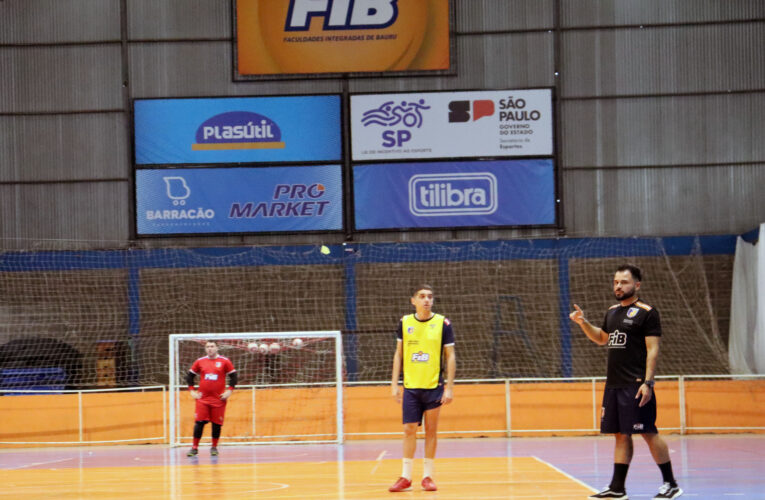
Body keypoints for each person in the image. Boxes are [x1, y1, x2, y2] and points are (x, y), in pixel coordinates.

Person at [569, 264, 683, 500]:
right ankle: (617, 488)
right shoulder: (612, 311)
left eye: (624, 282)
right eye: (616, 282)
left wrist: (648, 383)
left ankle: (671, 484)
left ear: (637, 285)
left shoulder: (647, 312)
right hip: (614, 384)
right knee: (620, 434)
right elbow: (602, 338)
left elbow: (653, 350)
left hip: (636, 383)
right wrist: (583, 323)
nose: (618, 286)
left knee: (648, 432)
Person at [388, 284, 456, 492]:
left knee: (431, 430)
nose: (427, 300)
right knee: (409, 430)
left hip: (434, 386)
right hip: (411, 387)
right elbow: (399, 354)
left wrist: (450, 387)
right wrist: (394, 383)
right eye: (422, 296)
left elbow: (450, 355)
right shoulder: (405, 322)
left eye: (430, 296)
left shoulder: (442, 323)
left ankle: (427, 476)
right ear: (413, 301)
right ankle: (406, 476)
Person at [186, 340, 237, 457]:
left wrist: (229, 391)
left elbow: (234, 376)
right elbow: (190, 376)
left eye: (212, 346)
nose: (210, 348)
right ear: (205, 349)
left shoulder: (225, 361)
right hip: (202, 399)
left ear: (217, 348)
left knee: (216, 424)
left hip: (218, 399)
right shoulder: (200, 361)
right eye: (207, 346)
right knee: (199, 423)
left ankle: (214, 447)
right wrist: (192, 391)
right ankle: (194, 448)